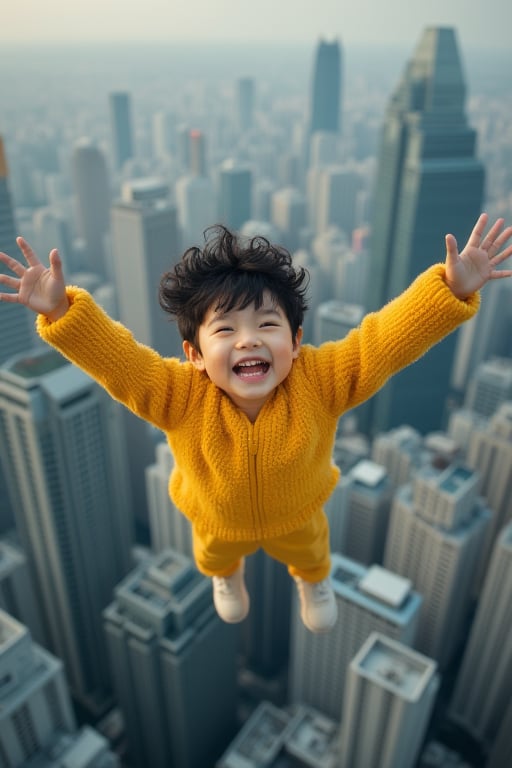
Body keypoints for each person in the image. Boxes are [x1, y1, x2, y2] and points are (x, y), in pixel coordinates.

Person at [1, 213, 511, 633]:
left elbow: (380, 344)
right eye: (225, 330)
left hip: (296, 514)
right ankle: (226, 576)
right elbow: (120, 363)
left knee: (312, 551)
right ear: (194, 354)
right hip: (217, 519)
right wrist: (63, 313)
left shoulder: (321, 381)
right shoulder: (178, 396)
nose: (248, 341)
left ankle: (313, 580)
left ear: (296, 339)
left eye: (268, 325)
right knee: (215, 555)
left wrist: (447, 290)